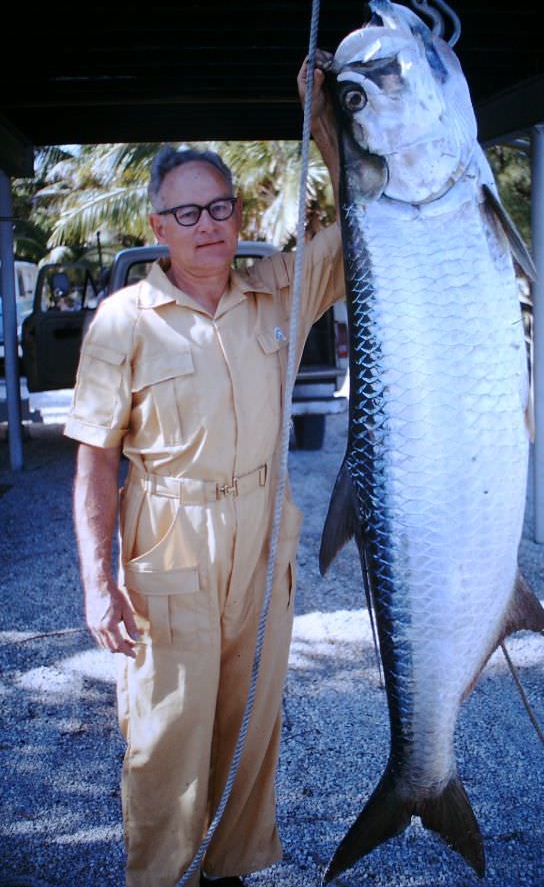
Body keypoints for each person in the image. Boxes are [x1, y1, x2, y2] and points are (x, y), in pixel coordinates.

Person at [64, 57, 342, 887]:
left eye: (220, 207)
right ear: (160, 222)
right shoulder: (124, 320)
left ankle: (228, 876)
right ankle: (158, 877)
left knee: (250, 734)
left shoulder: (279, 295)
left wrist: (323, 119)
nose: (208, 225)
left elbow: (361, 230)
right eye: (187, 212)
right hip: (171, 547)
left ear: (238, 211)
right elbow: (93, 462)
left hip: (261, 541)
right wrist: (96, 580)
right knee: (164, 741)